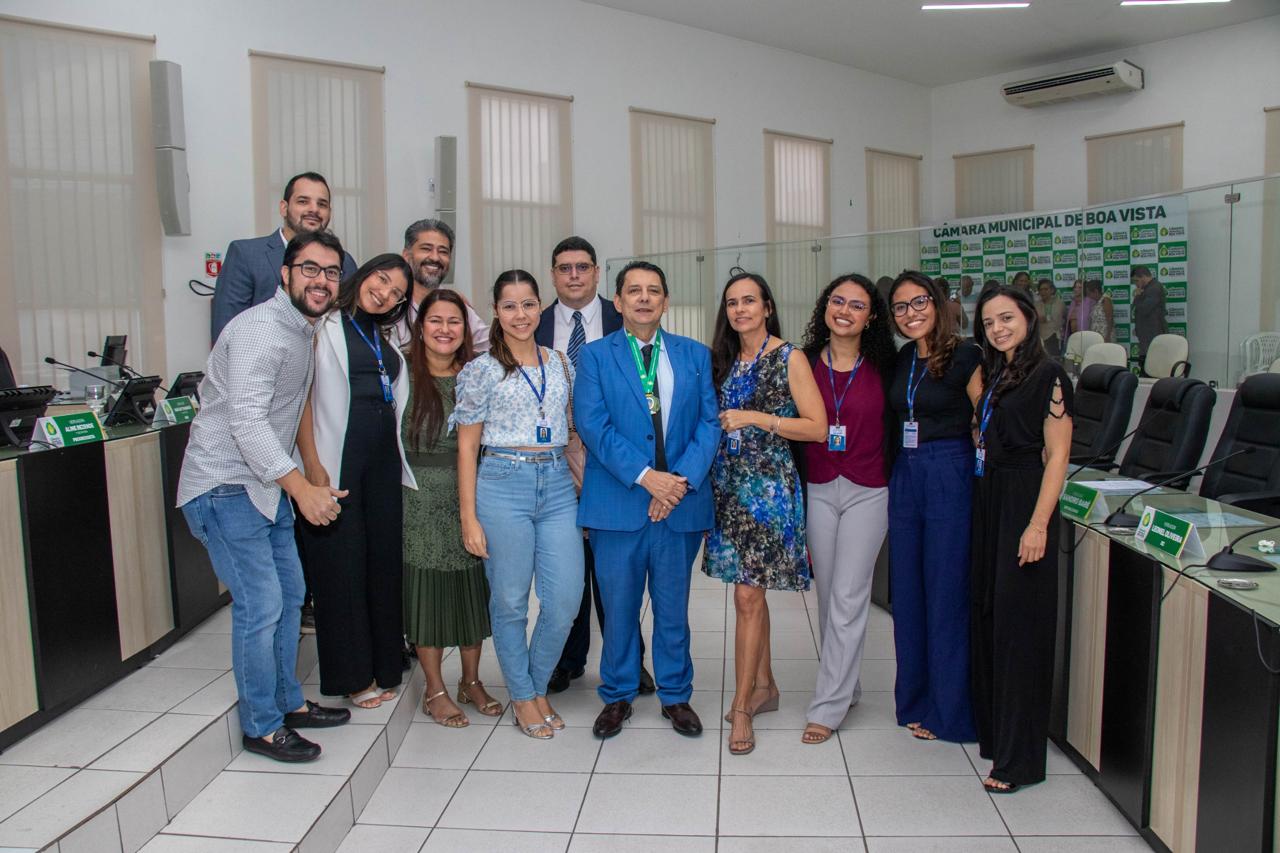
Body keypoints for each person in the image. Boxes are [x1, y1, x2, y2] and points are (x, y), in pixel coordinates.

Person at [177, 230, 352, 763]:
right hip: (224, 485)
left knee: (291, 596)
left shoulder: (304, 329)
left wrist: (311, 473)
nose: (321, 280)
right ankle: (261, 724)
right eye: (310, 269)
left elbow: (291, 407)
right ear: (285, 273)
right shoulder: (259, 330)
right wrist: (301, 489)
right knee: (262, 605)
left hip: (265, 485)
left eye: (330, 272)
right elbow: (248, 422)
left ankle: (287, 701)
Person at [575, 261, 721, 740]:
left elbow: (708, 425)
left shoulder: (694, 355)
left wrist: (676, 481)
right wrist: (647, 479)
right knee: (618, 610)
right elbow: (595, 426)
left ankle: (676, 696)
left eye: (653, 291)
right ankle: (617, 695)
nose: (643, 298)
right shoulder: (595, 357)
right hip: (619, 504)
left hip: (678, 505)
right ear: (617, 302)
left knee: (673, 610)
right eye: (633, 291)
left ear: (665, 300)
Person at [454, 270, 581, 739]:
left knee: (565, 599)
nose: (520, 315)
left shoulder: (562, 363)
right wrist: (469, 516)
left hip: (556, 484)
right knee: (509, 601)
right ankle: (525, 696)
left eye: (528, 304)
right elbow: (466, 448)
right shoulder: (481, 370)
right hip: (501, 483)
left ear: (540, 307)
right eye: (509, 306)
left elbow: (569, 431)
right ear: (496, 311)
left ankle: (533, 684)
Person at [705, 272, 826, 755]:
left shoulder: (789, 357)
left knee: (746, 597)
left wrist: (758, 417)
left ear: (768, 307)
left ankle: (740, 708)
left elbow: (817, 428)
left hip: (769, 490)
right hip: (730, 489)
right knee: (752, 597)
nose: (740, 310)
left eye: (749, 301)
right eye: (732, 303)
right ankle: (767, 687)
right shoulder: (724, 360)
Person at [534, 236, 656, 696]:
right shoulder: (534, 323)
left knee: (616, 572)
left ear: (597, 273)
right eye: (564, 268)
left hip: (616, 461)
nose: (574, 276)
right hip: (555, 462)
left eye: (582, 267)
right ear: (552, 274)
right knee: (566, 568)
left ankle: (627, 661)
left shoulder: (623, 316)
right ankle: (567, 659)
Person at [294, 254, 416, 709]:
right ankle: (351, 676)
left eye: (397, 293)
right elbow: (301, 397)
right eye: (382, 280)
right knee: (341, 571)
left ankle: (385, 664)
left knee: (382, 566)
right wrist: (312, 465)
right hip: (336, 465)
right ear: (362, 275)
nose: (386, 293)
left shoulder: (381, 336)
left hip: (383, 466)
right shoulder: (322, 327)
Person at [970, 284, 1073, 793]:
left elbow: (1057, 457)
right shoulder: (997, 372)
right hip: (990, 499)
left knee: (1020, 634)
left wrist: (1038, 524)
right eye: (989, 323)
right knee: (990, 618)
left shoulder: (1049, 374)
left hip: (1023, 504)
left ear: (1029, 318)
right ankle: (996, 739)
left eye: (1006, 318)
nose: (998, 329)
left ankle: (1021, 761)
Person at [798, 274, 897, 746]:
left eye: (857, 305)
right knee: (827, 596)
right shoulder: (803, 365)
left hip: (868, 490)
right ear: (825, 307)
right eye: (837, 300)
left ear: (871, 316)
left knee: (849, 596)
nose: (845, 311)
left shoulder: (886, 365)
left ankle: (829, 705)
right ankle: (847, 684)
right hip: (818, 487)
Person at [886, 270, 982, 744]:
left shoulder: (967, 356)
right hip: (907, 474)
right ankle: (917, 701)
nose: (911, 313)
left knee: (946, 595)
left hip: (950, 473)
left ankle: (951, 711)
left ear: (938, 303)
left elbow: (986, 422)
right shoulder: (904, 357)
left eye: (919, 302)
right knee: (908, 594)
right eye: (901, 307)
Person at [402, 289, 501, 727]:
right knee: (428, 596)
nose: (445, 330)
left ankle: (472, 680)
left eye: (454, 322)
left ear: (466, 330)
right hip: (418, 501)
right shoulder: (400, 374)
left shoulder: (477, 375)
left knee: (470, 592)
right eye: (436, 321)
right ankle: (435, 687)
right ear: (421, 327)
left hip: (471, 496)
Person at [211, 172, 357, 343]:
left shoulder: (344, 262)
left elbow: (350, 328)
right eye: (303, 201)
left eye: (322, 204)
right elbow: (226, 333)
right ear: (284, 207)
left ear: (329, 213)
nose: (314, 209)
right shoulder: (246, 254)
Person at [395, 219, 490, 352]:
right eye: (426, 249)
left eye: (443, 251)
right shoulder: (391, 303)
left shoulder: (455, 304)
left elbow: (488, 343)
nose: (435, 257)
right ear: (406, 255)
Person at [1131, 266, 1167, 368]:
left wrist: (1137, 297)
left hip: (1153, 333)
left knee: (1152, 366)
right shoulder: (1146, 289)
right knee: (1145, 364)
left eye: (1136, 281)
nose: (1136, 284)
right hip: (1147, 334)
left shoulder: (1154, 288)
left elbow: (1144, 309)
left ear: (1143, 277)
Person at [1035, 279, 1064, 357]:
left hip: (1054, 337)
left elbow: (1064, 318)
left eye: (1046, 289)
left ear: (1052, 290)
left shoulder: (1059, 303)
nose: (1043, 292)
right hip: (1040, 338)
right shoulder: (1036, 305)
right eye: (1041, 290)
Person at [1085, 279, 1113, 343]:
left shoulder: (1106, 300)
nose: (1088, 296)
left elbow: (1110, 319)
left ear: (1096, 291)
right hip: (1096, 337)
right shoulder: (1095, 302)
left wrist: (1108, 336)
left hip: (1105, 337)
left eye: (1089, 294)